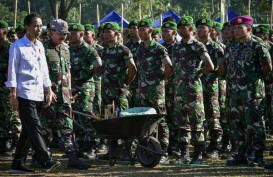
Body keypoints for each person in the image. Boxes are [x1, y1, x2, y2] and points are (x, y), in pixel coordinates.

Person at [5, 13, 61, 174]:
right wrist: (13, 94)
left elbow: (44, 70)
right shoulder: (17, 46)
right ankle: (46, 159)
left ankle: (17, 164)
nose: (38, 29)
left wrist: (48, 89)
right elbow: (12, 72)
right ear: (27, 27)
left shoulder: (40, 46)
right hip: (24, 93)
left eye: (40, 26)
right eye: (35, 26)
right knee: (35, 127)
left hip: (38, 93)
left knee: (28, 130)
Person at [42, 19, 91, 169]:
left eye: (65, 33)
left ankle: (73, 157)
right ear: (51, 32)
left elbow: (67, 71)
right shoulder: (42, 48)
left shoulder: (65, 48)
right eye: (60, 33)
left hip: (63, 95)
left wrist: (69, 92)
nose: (64, 36)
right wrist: (45, 91)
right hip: (48, 95)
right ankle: (41, 157)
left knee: (67, 126)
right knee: (45, 128)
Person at [223, 16, 272, 167]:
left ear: (249, 29)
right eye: (234, 28)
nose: (235, 31)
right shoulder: (231, 46)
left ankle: (257, 156)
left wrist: (255, 80)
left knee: (255, 125)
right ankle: (241, 154)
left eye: (239, 28)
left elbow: (267, 67)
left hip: (252, 93)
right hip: (234, 92)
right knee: (237, 124)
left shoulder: (257, 45)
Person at [172, 16, 214, 164]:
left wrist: (197, 73)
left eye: (185, 27)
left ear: (191, 30)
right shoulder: (176, 47)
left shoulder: (198, 46)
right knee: (181, 123)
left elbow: (210, 65)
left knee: (197, 123)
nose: (182, 30)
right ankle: (184, 154)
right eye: (180, 28)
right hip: (179, 90)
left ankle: (198, 155)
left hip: (193, 90)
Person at [136, 18, 172, 164]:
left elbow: (169, 67)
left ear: (150, 31)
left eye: (143, 30)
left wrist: (161, 79)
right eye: (139, 30)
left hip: (156, 90)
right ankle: (147, 148)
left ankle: (163, 151)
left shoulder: (159, 48)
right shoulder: (140, 49)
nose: (140, 33)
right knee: (145, 121)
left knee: (160, 119)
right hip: (143, 90)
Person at [69, 23, 102, 157]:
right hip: (72, 88)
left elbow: (98, 65)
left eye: (73, 33)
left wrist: (87, 78)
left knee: (87, 116)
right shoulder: (68, 49)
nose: (69, 36)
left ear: (81, 34)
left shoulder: (89, 50)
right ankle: (81, 146)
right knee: (75, 117)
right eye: (69, 33)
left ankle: (91, 147)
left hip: (85, 88)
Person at [196, 18, 224, 158]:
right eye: (199, 28)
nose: (200, 30)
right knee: (199, 117)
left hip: (210, 86)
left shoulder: (216, 47)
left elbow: (221, 68)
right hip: (196, 87)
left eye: (203, 27)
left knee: (213, 116)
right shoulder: (194, 46)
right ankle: (201, 145)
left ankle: (214, 147)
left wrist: (210, 75)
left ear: (210, 30)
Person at [0, 20, 21, 159]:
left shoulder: (11, 48)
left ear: (5, 32)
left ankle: (16, 143)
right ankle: (3, 142)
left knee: (13, 116)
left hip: (9, 88)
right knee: (1, 117)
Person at [160, 21, 180, 157]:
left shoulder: (179, 47)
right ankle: (166, 144)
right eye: (163, 31)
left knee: (176, 116)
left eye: (167, 31)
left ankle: (176, 144)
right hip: (162, 87)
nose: (164, 34)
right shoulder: (160, 47)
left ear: (174, 32)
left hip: (177, 86)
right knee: (164, 116)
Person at [125, 20, 141, 108]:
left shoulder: (144, 45)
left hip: (143, 82)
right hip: (130, 82)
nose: (131, 30)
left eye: (135, 28)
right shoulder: (126, 46)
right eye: (130, 28)